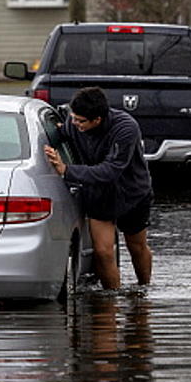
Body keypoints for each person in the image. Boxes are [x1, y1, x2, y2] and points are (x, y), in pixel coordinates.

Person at [43, 86, 153, 290]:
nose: (74, 123)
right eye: (73, 118)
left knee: (136, 246)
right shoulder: (73, 123)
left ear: (97, 119)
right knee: (103, 251)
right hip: (98, 195)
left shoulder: (125, 128)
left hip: (132, 193)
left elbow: (110, 171)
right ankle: (112, 299)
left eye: (80, 121)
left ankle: (143, 290)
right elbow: (60, 131)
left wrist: (67, 170)